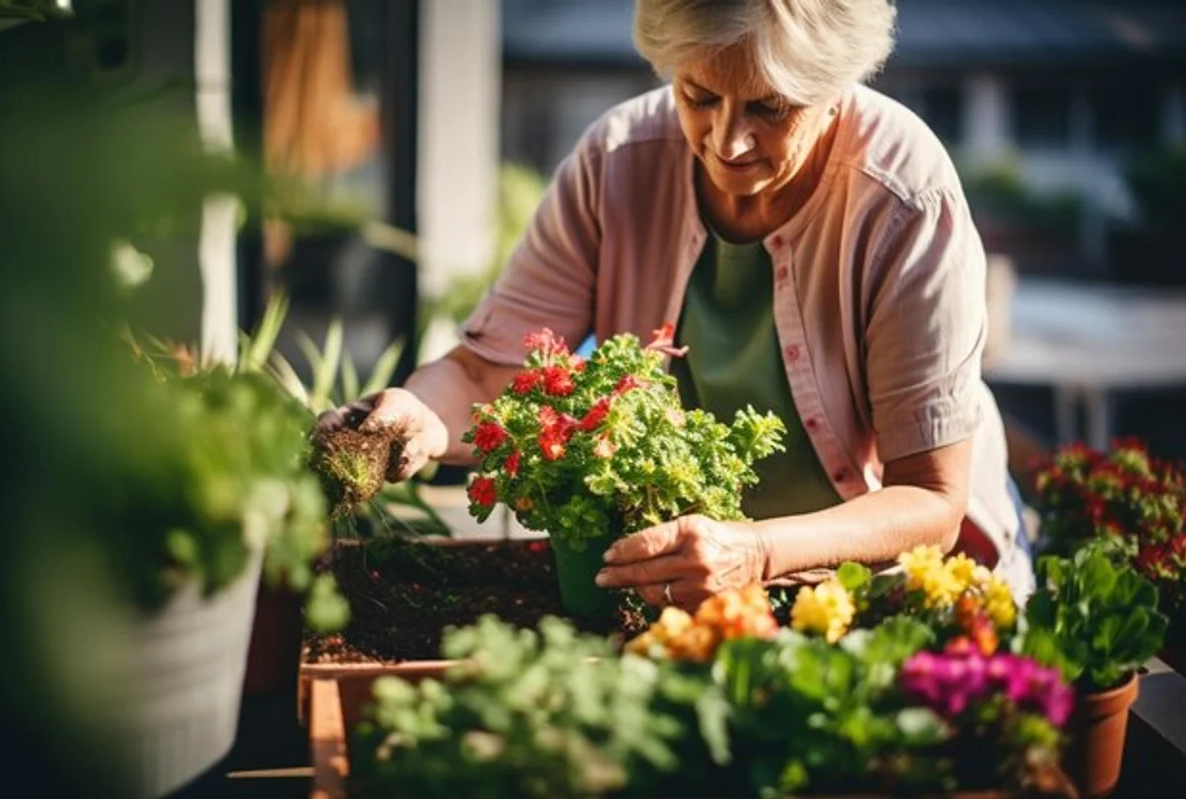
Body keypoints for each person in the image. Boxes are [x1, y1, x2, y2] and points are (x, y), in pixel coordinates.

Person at [320, 0, 1034, 611]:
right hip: (688, 584)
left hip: (882, 587)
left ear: (835, 85)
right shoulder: (618, 159)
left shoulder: (903, 197)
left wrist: (753, 552)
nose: (728, 141)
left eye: (769, 106)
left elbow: (930, 501)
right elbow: (487, 373)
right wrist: (417, 415)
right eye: (698, 96)